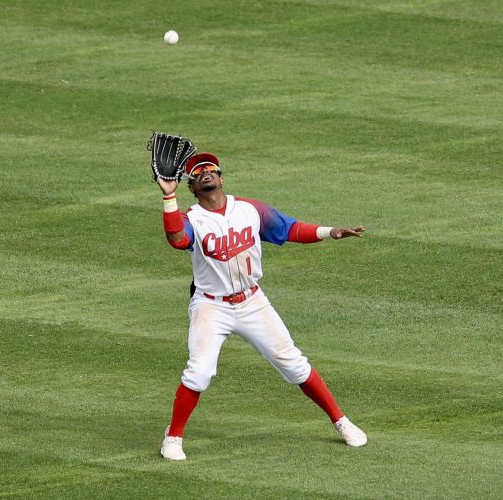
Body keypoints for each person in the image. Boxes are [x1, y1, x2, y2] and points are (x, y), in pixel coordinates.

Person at [157, 151, 367, 460]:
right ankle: (172, 439)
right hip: (211, 306)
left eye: (210, 168)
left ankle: (341, 421)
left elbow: (290, 229)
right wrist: (169, 196)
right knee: (199, 372)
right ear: (192, 187)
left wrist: (329, 232)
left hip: (253, 301)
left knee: (294, 363)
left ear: (221, 177)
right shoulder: (193, 218)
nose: (205, 172)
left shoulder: (249, 210)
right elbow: (176, 239)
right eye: (198, 171)